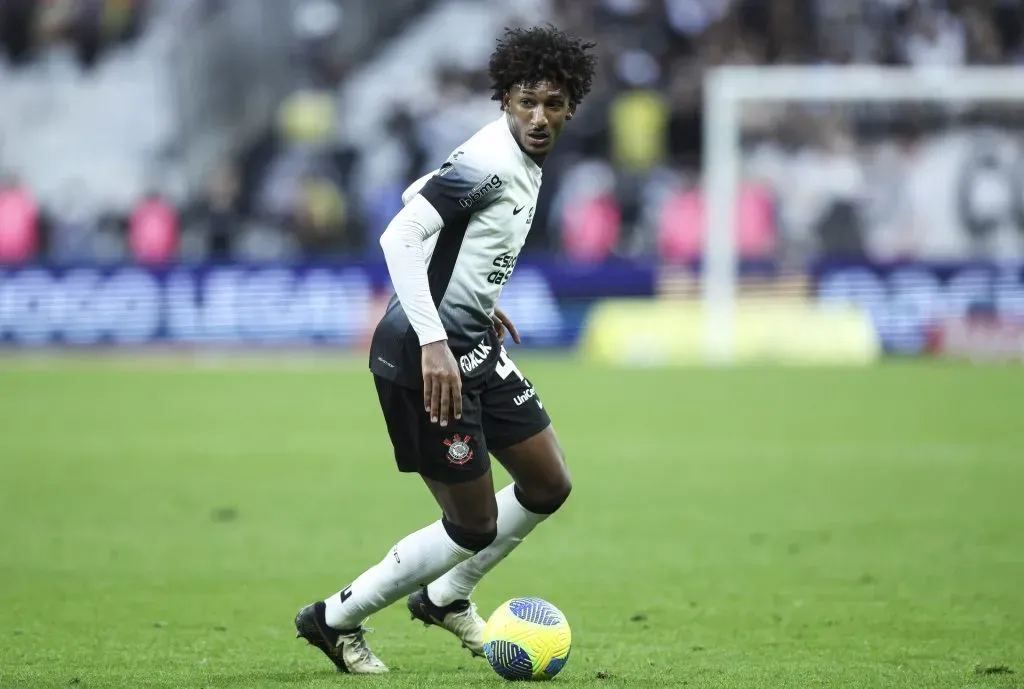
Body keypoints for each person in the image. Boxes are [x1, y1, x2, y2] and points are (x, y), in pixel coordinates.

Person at [294, 25, 598, 674]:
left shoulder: (517, 160)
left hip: (471, 344)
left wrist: (475, 293)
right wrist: (435, 335)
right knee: (474, 525)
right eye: (525, 102)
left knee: (548, 483)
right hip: (422, 358)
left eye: (552, 102)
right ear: (505, 102)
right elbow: (399, 235)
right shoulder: (491, 160)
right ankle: (335, 617)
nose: (539, 116)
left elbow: (418, 194)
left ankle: (445, 595)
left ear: (573, 103)